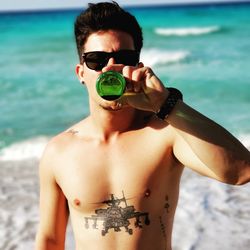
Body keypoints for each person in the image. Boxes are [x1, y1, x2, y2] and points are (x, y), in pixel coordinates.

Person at [35, 2, 250, 250]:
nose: (110, 69)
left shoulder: (165, 134)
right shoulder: (59, 152)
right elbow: (50, 240)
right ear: (81, 72)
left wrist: (166, 104)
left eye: (124, 58)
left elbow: (241, 171)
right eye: (96, 60)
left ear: (137, 66)